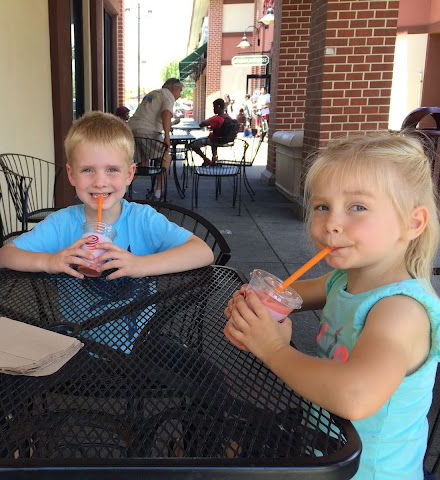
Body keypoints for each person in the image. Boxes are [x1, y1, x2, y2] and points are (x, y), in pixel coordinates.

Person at [224, 132, 440, 479]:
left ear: (412, 223)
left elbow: (355, 396)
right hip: (327, 447)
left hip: (368, 472)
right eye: (322, 206)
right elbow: (291, 294)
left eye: (358, 207)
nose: (331, 224)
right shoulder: (343, 279)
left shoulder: (400, 311)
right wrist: (258, 305)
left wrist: (273, 349)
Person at [0, 110, 213, 279]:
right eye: (87, 170)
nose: (100, 182)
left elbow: (202, 252)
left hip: (139, 326)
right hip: (75, 325)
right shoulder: (61, 224)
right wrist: (49, 261)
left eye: (112, 170)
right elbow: (2, 258)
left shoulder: (143, 220)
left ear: (129, 174)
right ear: (71, 175)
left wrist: (141, 264)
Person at [127, 78, 184, 201]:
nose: (179, 95)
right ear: (173, 88)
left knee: (142, 164)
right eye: (179, 91)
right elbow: (166, 114)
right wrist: (167, 138)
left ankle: (122, 190)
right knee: (166, 157)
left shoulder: (153, 93)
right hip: (148, 131)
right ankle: (158, 194)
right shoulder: (168, 95)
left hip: (131, 131)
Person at [188, 98, 238, 166]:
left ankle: (206, 160)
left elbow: (202, 124)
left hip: (217, 140)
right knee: (213, 136)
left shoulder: (217, 118)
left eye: (214, 107)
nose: (213, 109)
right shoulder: (227, 117)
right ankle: (214, 158)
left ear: (218, 107)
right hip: (225, 139)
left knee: (193, 144)